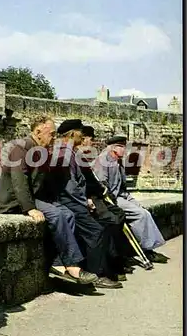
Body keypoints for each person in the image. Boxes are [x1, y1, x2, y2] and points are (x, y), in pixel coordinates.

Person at [0, 114, 98, 286]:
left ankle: (58, 264)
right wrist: (30, 208)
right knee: (57, 215)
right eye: (51, 133)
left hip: (35, 198)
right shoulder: (21, 149)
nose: (54, 138)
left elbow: (45, 181)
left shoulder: (41, 150)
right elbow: (19, 181)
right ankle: (72, 265)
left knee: (68, 214)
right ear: (37, 131)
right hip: (15, 202)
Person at [45, 119, 123, 289]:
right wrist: (84, 202)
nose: (83, 135)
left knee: (102, 224)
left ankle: (103, 268)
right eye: (80, 132)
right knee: (96, 231)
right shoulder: (64, 153)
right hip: (70, 202)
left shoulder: (69, 152)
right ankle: (98, 274)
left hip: (73, 200)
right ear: (73, 134)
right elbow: (69, 186)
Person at [92, 135, 168, 264]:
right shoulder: (102, 161)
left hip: (121, 195)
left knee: (144, 210)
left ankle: (149, 247)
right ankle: (148, 251)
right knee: (141, 214)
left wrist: (132, 200)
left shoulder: (117, 161)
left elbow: (122, 186)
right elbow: (102, 186)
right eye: (121, 147)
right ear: (113, 148)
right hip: (111, 199)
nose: (124, 150)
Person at [78, 126, 134, 278]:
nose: (92, 141)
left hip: (95, 196)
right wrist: (87, 198)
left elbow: (92, 181)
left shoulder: (81, 156)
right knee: (109, 220)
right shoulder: (74, 156)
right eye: (90, 138)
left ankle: (118, 258)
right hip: (83, 199)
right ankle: (109, 266)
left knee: (119, 214)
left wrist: (100, 192)